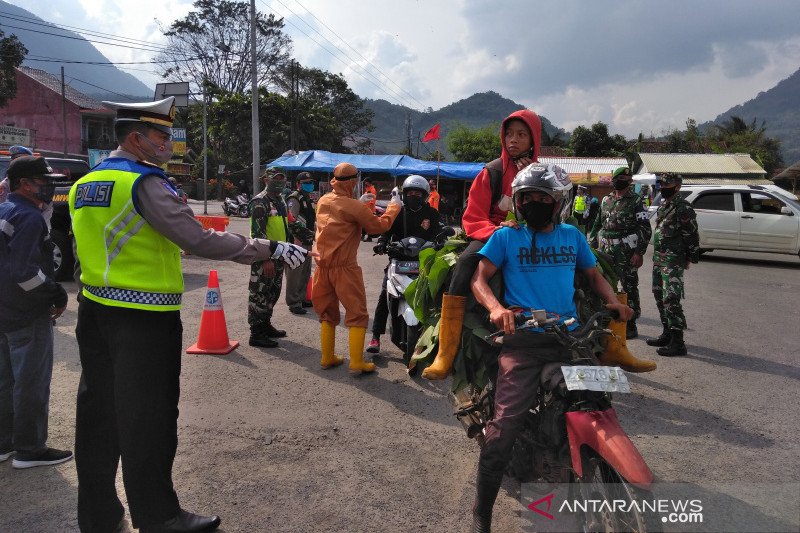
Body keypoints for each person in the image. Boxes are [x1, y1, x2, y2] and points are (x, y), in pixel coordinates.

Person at [69, 96, 310, 533]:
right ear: (137, 138)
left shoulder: (88, 181)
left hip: (94, 309)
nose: (169, 145)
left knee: (99, 416)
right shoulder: (144, 183)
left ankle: (99, 515)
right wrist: (269, 249)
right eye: (162, 136)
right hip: (142, 317)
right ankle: (159, 516)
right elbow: (198, 240)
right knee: (150, 418)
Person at [468, 163, 634, 532]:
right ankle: (482, 514)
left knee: (598, 401)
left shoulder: (572, 236)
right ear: (518, 201)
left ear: (558, 201)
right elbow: (480, 278)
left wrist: (614, 302)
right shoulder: (506, 237)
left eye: (544, 197)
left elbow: (594, 276)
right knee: (503, 429)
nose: (535, 203)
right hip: (524, 341)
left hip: (572, 339)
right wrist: (495, 308)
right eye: (528, 198)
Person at [423, 109, 539, 381]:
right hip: (492, 233)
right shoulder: (492, 171)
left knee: (581, 262)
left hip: (531, 234)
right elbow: (472, 216)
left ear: (533, 139)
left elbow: (555, 209)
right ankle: (446, 351)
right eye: (509, 134)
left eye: (521, 134)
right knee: (465, 263)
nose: (513, 140)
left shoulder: (542, 172)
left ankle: (608, 344)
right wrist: (497, 229)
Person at [0, 155, 72, 470]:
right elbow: (24, 272)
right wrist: (53, 293)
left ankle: (4, 444)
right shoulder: (28, 217)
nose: (49, 187)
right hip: (27, 314)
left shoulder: (4, 209)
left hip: (4, 312)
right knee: (30, 381)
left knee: (5, 380)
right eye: (43, 181)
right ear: (25, 184)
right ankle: (30, 449)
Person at [313, 162, 400, 374]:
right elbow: (377, 227)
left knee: (327, 312)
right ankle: (357, 362)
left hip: (321, 267)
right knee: (357, 313)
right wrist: (394, 207)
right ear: (353, 181)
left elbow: (338, 214)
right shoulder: (354, 207)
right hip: (344, 268)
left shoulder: (323, 200)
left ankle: (327, 357)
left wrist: (357, 204)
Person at [367, 175, 446, 354]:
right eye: (410, 192)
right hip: (399, 259)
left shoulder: (431, 214)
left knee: (438, 295)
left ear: (425, 195)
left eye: (418, 193)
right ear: (404, 194)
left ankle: (439, 336)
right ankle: (375, 336)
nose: (413, 196)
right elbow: (386, 230)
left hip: (424, 262)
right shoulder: (398, 212)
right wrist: (382, 242)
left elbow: (440, 232)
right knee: (383, 295)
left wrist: (442, 241)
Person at [588, 166, 651, 339]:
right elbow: (597, 223)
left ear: (629, 181)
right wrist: (591, 242)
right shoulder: (606, 200)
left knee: (629, 286)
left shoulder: (636, 201)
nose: (620, 181)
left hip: (626, 251)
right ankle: (608, 320)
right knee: (606, 283)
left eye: (625, 178)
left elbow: (645, 228)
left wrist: (639, 252)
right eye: (618, 178)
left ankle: (631, 324)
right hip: (605, 250)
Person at [248, 169, 307, 347]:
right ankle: (256, 333)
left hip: (279, 254)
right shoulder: (260, 202)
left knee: (273, 292)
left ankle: (265, 325)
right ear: (266, 179)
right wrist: (265, 259)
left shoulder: (280, 201)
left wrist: (314, 236)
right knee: (260, 293)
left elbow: (291, 224)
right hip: (264, 257)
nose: (280, 182)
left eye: (283, 179)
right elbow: (258, 233)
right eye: (276, 179)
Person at [646, 173, 699, 357]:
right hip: (660, 258)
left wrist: (690, 256)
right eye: (661, 184)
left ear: (677, 186)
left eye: (666, 184)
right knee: (658, 293)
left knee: (671, 298)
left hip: (673, 259)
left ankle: (678, 342)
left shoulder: (683, 207)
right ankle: (667, 332)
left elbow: (691, 233)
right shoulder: (664, 204)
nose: (662, 187)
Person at [284, 172, 317, 315]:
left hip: (307, 239)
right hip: (297, 240)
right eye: (306, 182)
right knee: (295, 272)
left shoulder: (308, 198)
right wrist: (296, 239)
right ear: (298, 184)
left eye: (310, 182)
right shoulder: (294, 198)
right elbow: (292, 220)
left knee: (305, 271)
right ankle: (293, 302)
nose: (309, 184)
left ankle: (302, 298)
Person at [361, 177, 378, 242]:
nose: (365, 183)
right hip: (366, 210)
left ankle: (369, 237)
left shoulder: (372, 190)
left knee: (369, 224)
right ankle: (363, 236)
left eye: (366, 182)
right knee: (364, 224)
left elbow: (371, 201)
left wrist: (370, 212)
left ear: (368, 183)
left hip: (370, 210)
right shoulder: (367, 189)